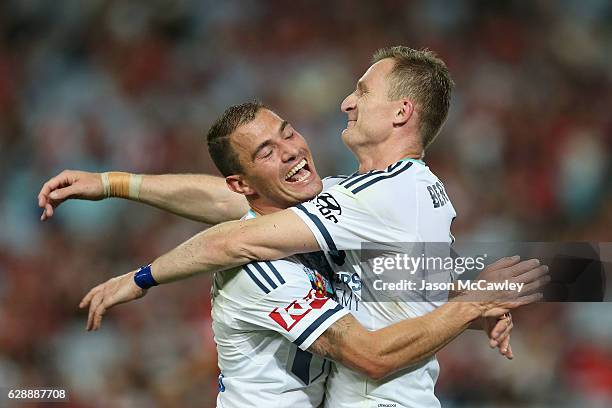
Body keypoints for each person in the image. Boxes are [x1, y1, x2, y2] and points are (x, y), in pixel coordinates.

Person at [40, 47, 548, 408]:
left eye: (362, 91)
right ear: (245, 183)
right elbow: (230, 224)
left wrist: (471, 304)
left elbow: (236, 226)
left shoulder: (375, 196)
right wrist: (114, 185)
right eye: (267, 151)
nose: (346, 102)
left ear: (400, 112)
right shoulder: (276, 264)